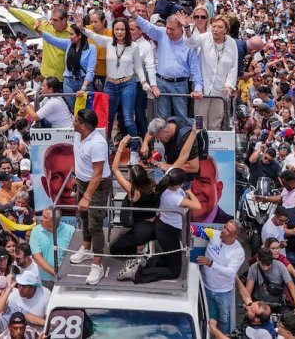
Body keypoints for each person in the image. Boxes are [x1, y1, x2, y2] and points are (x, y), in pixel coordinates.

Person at [129, 0, 204, 120]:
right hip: (161, 83)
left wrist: (198, 88)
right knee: (162, 118)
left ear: (181, 29)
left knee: (181, 117)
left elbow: (195, 70)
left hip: (180, 85)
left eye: (172, 29)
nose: (168, 31)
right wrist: (134, 15)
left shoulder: (189, 44)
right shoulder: (162, 33)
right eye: (167, 28)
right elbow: (147, 26)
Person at [80, 15, 145, 147]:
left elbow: (138, 66)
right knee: (107, 119)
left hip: (127, 84)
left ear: (126, 31)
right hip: (110, 85)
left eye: (122, 29)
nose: (119, 32)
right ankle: (107, 147)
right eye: (117, 29)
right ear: (113, 30)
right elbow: (92, 35)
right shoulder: (108, 41)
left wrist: (144, 82)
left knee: (128, 119)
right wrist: (80, 26)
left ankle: (134, 149)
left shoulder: (134, 46)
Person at [135, 168, 201, 284]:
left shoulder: (165, 184)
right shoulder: (173, 197)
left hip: (165, 227)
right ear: (177, 185)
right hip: (167, 231)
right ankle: (140, 274)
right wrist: (190, 192)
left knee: (169, 256)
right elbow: (197, 206)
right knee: (174, 271)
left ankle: (147, 266)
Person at [67, 109, 110, 285]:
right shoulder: (78, 136)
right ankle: (86, 248)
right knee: (84, 217)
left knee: (95, 224)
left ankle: (97, 264)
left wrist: (87, 197)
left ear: (82, 125)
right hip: (83, 182)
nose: (73, 122)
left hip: (97, 186)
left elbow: (98, 173)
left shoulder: (98, 144)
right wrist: (76, 178)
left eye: (75, 120)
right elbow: (78, 158)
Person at [110, 135, 159, 281]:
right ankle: (144, 245)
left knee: (114, 249)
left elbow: (115, 169)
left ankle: (140, 251)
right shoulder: (153, 185)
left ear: (132, 180)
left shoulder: (133, 191)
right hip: (153, 223)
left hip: (139, 228)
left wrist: (121, 147)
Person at [183, 13, 238, 130]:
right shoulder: (205, 37)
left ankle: (212, 147)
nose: (216, 30)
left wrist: (229, 85)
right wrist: (187, 28)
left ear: (226, 30)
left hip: (220, 90)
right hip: (203, 89)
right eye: (214, 26)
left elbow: (233, 67)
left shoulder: (232, 43)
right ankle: (199, 146)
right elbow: (190, 42)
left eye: (219, 27)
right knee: (199, 122)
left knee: (215, 123)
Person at [196, 220, 245, 335]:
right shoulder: (215, 234)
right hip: (205, 287)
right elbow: (198, 231)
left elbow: (230, 273)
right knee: (206, 317)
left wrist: (211, 263)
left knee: (224, 321)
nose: (223, 230)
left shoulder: (238, 252)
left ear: (235, 236)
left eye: (228, 230)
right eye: (224, 227)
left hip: (223, 293)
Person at [34, 19, 95, 111]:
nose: (69, 37)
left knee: (85, 111)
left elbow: (90, 70)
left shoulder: (91, 48)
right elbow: (52, 40)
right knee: (71, 109)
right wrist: (38, 30)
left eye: (72, 34)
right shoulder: (68, 44)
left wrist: (83, 88)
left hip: (84, 83)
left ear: (79, 36)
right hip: (69, 83)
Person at [29, 206, 74, 287]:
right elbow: (37, 257)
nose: (41, 219)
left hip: (66, 279)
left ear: (54, 221)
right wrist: (55, 273)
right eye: (42, 215)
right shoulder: (36, 231)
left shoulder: (71, 231)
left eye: (45, 217)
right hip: (45, 279)